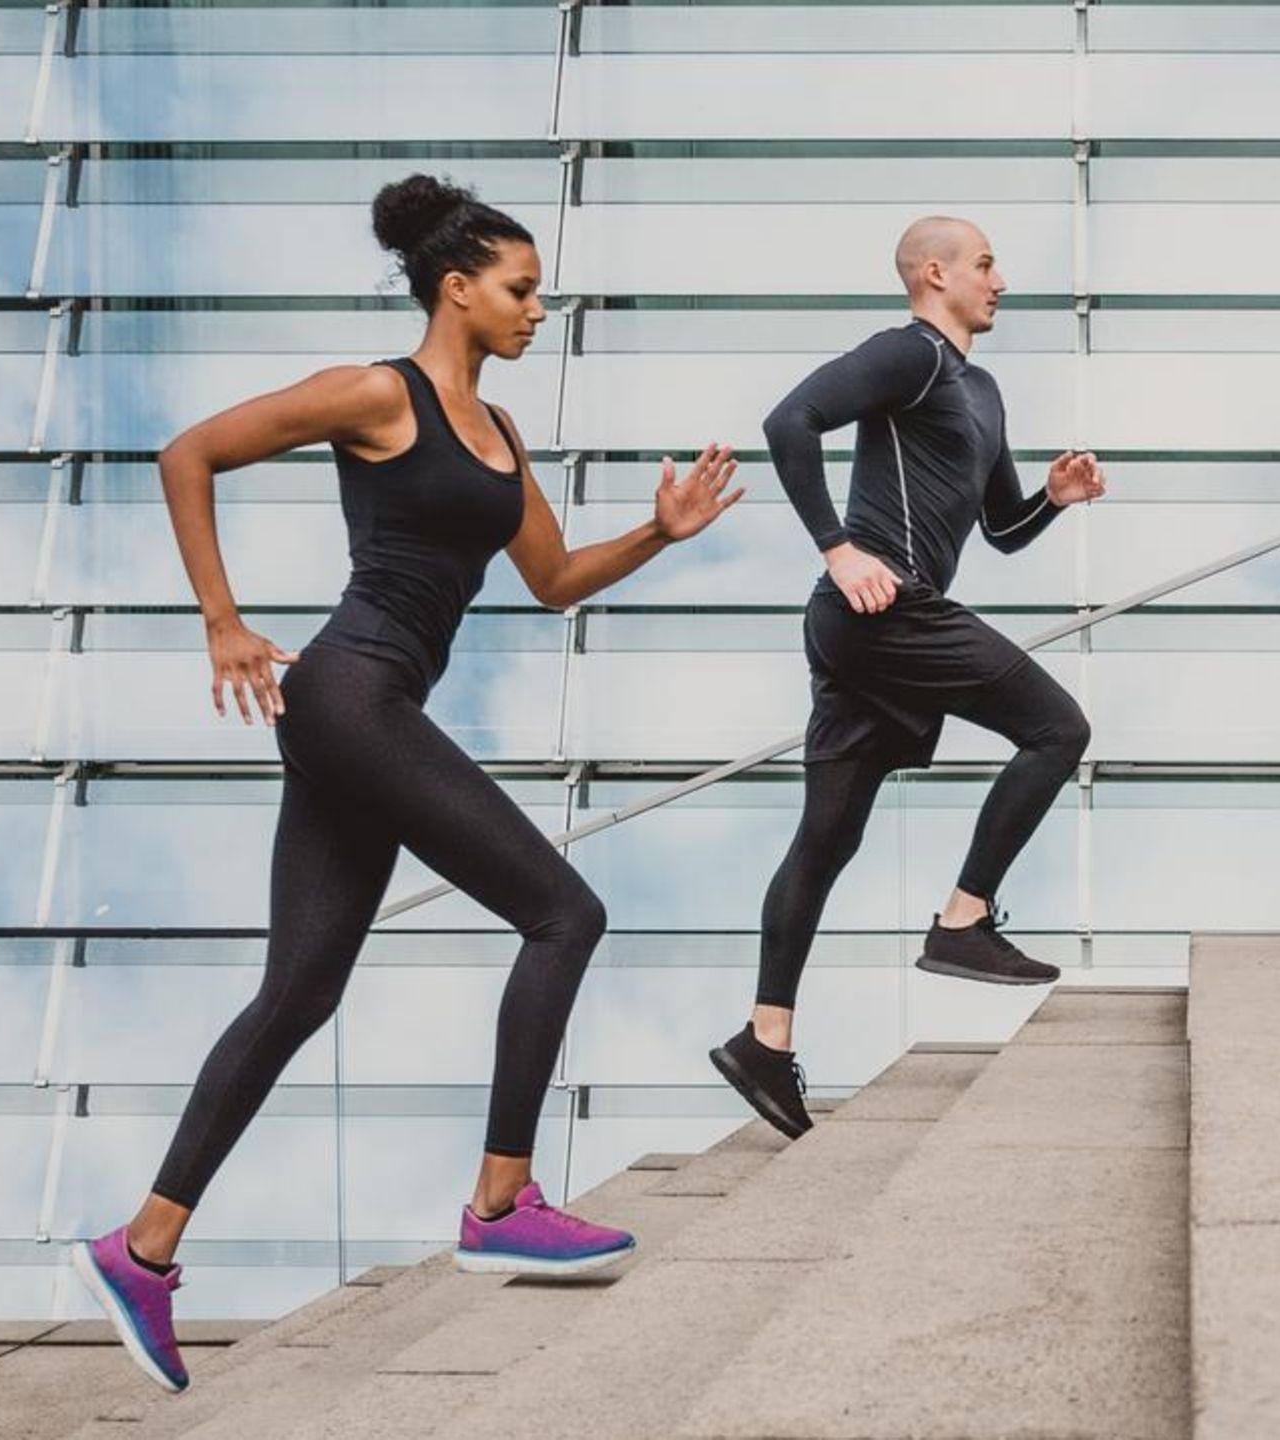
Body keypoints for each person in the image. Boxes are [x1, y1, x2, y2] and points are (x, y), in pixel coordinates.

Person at [72, 173, 742, 1392]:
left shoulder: (498, 437)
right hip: (349, 693)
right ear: (458, 288)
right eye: (522, 289)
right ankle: (501, 1199)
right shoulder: (379, 394)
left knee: (298, 994)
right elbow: (191, 453)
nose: (542, 309)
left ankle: (141, 1249)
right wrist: (222, 622)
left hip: (369, 716)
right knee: (565, 912)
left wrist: (659, 532)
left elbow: (551, 577)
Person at [709, 216, 1105, 1142]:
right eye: (986, 263)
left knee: (828, 837)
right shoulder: (910, 354)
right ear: (935, 274)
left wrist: (1053, 497)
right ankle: (963, 920)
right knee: (1058, 728)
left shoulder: (985, 391)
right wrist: (838, 548)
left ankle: (764, 1039)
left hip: (882, 623)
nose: (1000, 279)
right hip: (878, 608)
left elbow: (1000, 530)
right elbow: (788, 421)